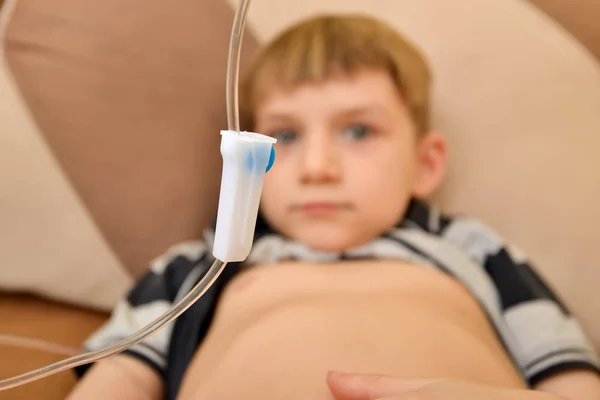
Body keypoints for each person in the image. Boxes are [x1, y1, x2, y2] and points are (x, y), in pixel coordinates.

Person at [67, 14, 600, 400]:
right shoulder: (197, 266)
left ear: (425, 162)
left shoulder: (477, 251)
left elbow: (570, 377)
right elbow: (122, 376)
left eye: (358, 130)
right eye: (285, 135)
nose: (317, 167)